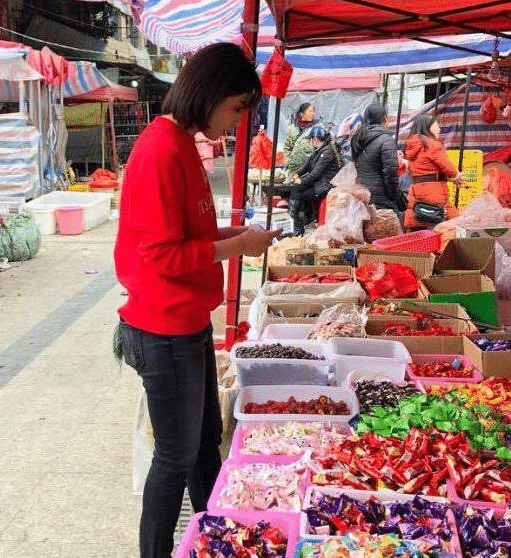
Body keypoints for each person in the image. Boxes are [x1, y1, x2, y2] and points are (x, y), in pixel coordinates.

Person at [114, 43, 282, 558]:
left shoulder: (183, 144)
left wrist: (238, 233)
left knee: (207, 442)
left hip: (186, 323)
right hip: (162, 328)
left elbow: (193, 233)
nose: (235, 124)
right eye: (234, 109)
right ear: (208, 95)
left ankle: (212, 538)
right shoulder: (161, 148)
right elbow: (163, 254)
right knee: (175, 457)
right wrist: (238, 245)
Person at [404, 114, 464, 230]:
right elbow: (449, 169)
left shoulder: (411, 145)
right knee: (447, 225)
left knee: (419, 222)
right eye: (436, 126)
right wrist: (457, 175)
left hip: (416, 191)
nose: (439, 129)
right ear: (428, 127)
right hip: (434, 192)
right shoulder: (432, 144)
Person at [288, 125, 342, 235]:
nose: (310, 141)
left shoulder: (327, 152)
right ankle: (300, 224)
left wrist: (302, 181)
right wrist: (297, 174)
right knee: (295, 190)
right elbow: (307, 165)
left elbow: (316, 173)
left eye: (310, 139)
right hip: (319, 183)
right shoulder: (319, 150)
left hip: (326, 186)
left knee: (299, 194)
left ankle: (299, 227)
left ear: (315, 139)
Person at [351, 103, 404, 212]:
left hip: (361, 195)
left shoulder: (357, 139)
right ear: (385, 119)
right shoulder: (386, 140)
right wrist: (394, 196)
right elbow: (391, 172)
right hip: (382, 199)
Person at [283, 102, 318, 176]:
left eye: (313, 111)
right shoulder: (292, 128)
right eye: (310, 111)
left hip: (309, 168)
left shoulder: (316, 128)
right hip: (293, 167)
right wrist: (288, 160)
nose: (313, 113)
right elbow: (287, 147)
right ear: (302, 113)